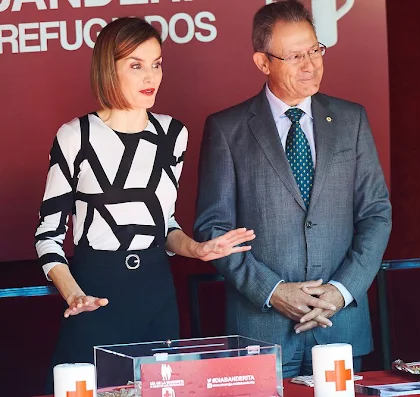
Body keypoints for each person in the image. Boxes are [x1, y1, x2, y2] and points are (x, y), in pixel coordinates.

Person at [34, 17, 255, 389]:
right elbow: (48, 237)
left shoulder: (173, 134)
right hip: (94, 295)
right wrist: (74, 294)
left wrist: (196, 249)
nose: (150, 76)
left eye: (156, 64)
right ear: (109, 69)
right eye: (135, 66)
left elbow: (163, 224)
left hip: (156, 294)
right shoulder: (76, 136)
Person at [193, 0, 391, 378]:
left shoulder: (351, 119)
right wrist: (272, 291)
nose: (310, 64)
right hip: (259, 332)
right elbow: (213, 229)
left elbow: (376, 213)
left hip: (340, 326)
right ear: (263, 63)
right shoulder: (228, 129)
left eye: (315, 50)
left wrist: (341, 290)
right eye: (295, 55)